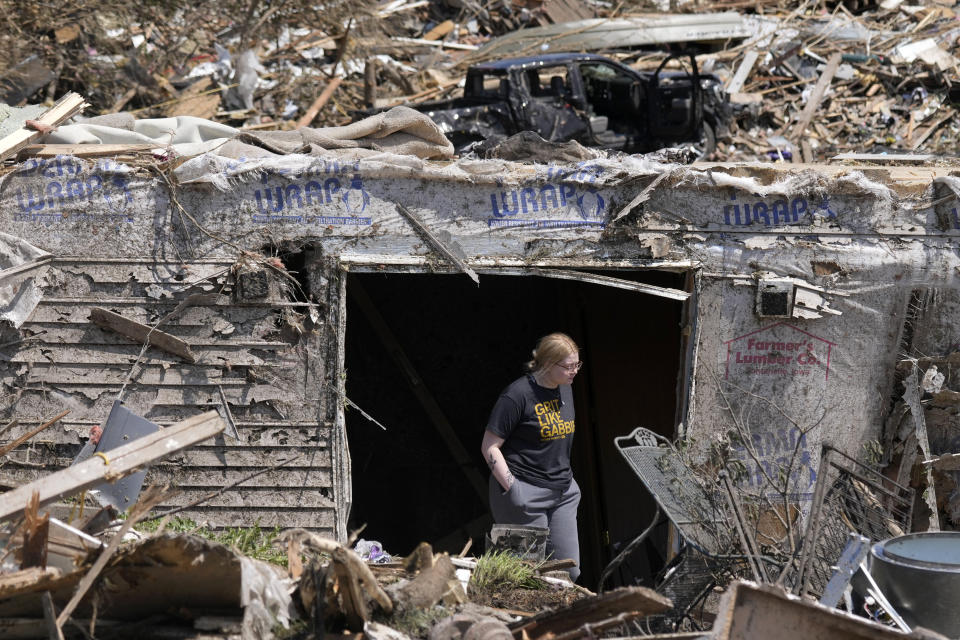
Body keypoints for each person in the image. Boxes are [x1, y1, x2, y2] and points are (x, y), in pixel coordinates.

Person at [481, 332, 582, 581]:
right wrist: (514, 489)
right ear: (547, 363)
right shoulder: (517, 395)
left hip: (562, 493)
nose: (574, 371)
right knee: (529, 575)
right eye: (568, 366)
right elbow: (489, 447)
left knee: (567, 572)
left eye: (577, 364)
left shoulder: (564, 389)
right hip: (526, 492)